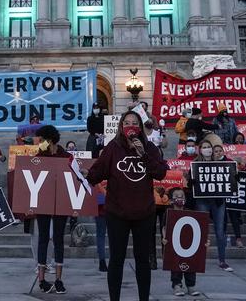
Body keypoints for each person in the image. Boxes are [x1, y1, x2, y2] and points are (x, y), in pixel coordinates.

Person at [87, 111, 168, 301]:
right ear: (121, 127)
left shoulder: (150, 148)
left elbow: (160, 173)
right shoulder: (112, 148)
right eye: (127, 122)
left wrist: (143, 154)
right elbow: (96, 174)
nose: (130, 126)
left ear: (140, 127)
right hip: (117, 213)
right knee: (116, 259)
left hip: (144, 213)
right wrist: (86, 172)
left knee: (143, 261)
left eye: (134, 123)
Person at [30, 125, 72, 294]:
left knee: (59, 239)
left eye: (41, 140)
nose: (38, 143)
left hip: (61, 202)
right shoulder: (39, 157)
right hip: (44, 202)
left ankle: (59, 279)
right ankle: (41, 279)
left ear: (50, 140)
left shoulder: (67, 157)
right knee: (43, 239)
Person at [192, 138, 235, 272]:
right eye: (204, 147)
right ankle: (197, 259)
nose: (207, 149)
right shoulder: (195, 164)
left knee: (220, 231)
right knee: (201, 230)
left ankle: (222, 260)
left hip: (218, 201)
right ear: (200, 150)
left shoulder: (220, 163)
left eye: (208, 147)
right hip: (202, 201)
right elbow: (191, 183)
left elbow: (231, 177)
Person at [163, 187, 202, 297]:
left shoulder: (190, 212)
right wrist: (164, 238)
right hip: (174, 243)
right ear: (171, 200)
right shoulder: (168, 212)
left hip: (188, 243)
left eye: (182, 196)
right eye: (176, 196)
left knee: (191, 264)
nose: (180, 198)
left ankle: (191, 285)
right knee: (175, 265)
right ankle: (177, 285)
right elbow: (164, 227)